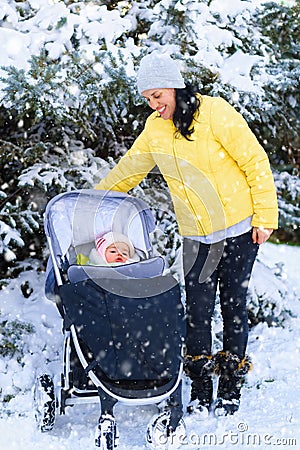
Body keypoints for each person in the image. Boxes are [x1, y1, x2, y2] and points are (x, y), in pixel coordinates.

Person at [94, 51, 278, 417]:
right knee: (196, 311)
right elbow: (130, 169)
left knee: (233, 306)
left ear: (175, 87)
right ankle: (199, 386)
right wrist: (92, 201)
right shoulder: (154, 129)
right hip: (196, 237)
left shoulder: (215, 113)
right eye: (147, 98)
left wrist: (265, 216)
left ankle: (229, 386)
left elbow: (254, 160)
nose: (153, 104)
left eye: (157, 95)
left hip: (240, 229)